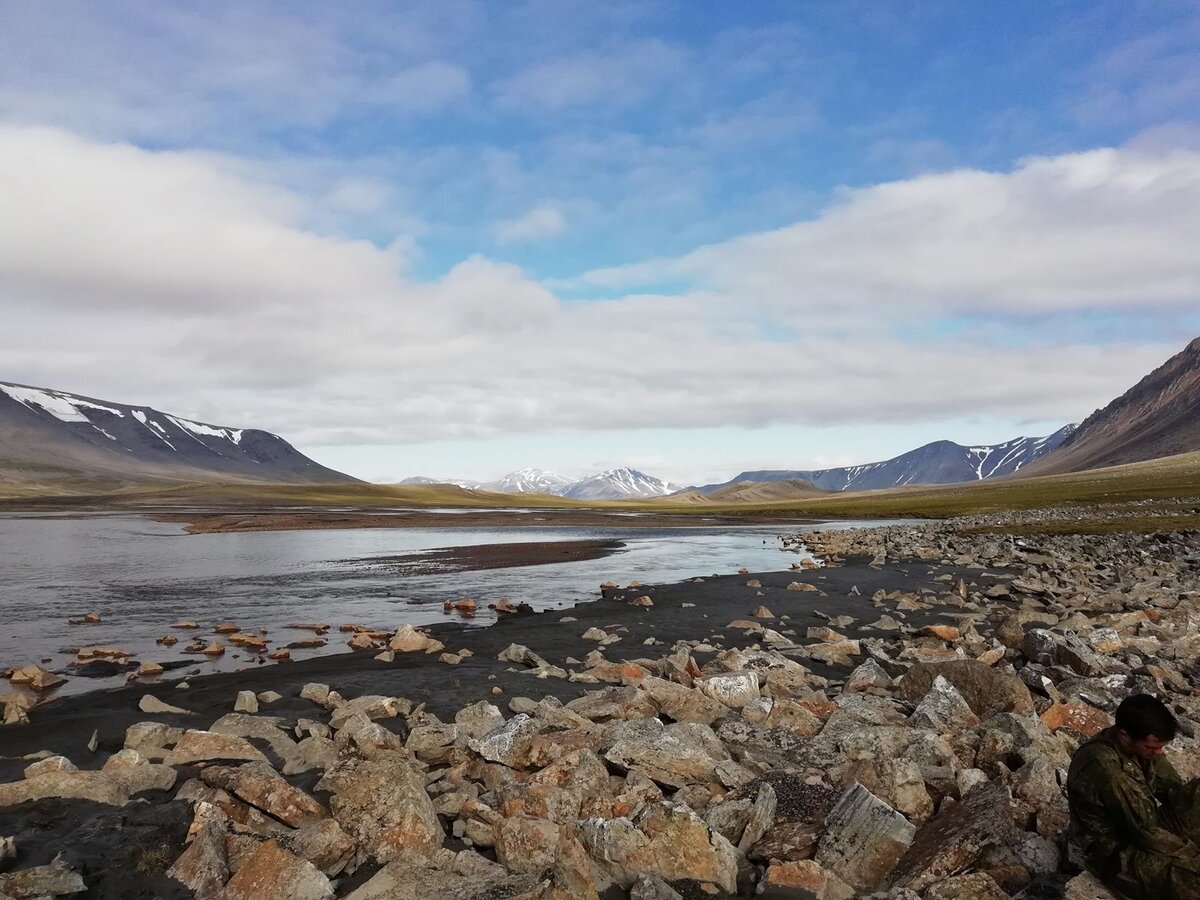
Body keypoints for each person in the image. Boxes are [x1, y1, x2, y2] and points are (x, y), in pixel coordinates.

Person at [1068, 694, 1200, 899]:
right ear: (1124, 736)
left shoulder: (1141, 749)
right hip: (1119, 853)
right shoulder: (1108, 771)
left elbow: (1173, 790)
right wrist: (1191, 854)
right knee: (1192, 879)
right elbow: (1145, 833)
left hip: (1144, 825)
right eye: (1152, 747)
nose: (1159, 753)